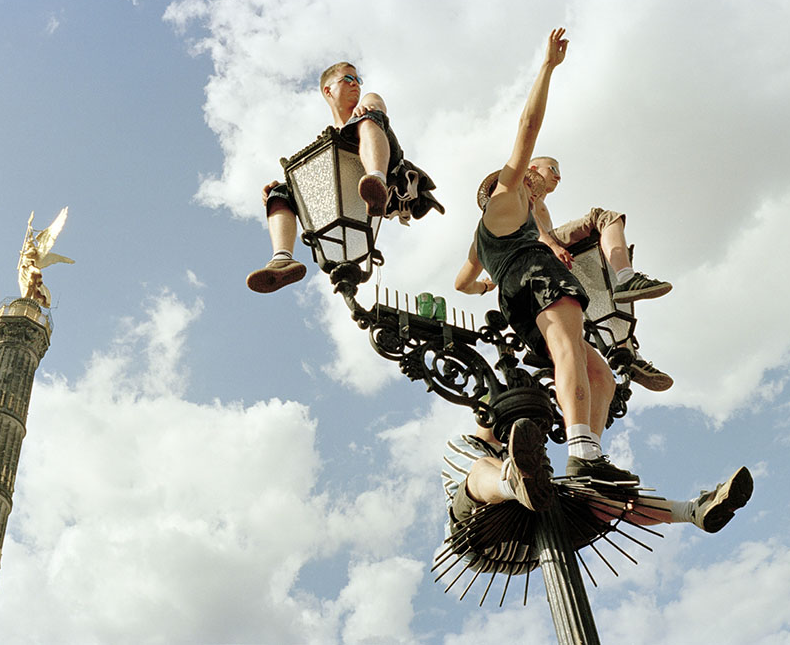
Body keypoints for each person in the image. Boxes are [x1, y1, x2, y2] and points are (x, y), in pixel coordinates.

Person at [455, 27, 632, 483]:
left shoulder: (482, 238)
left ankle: (589, 457)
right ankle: (582, 451)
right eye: (532, 180)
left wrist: (486, 285)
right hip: (537, 275)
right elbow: (527, 129)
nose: (534, 186)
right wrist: (548, 67)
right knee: (569, 348)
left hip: (514, 296)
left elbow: (461, 282)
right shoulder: (507, 198)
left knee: (601, 377)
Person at [246, 62, 440, 293]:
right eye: (348, 79)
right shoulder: (330, 148)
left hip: (389, 166)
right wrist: (290, 188)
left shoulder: (367, 103)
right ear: (328, 90)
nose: (355, 84)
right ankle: (282, 259)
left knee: (366, 119)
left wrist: (368, 107)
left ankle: (376, 182)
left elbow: (376, 103)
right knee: (280, 193)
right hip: (350, 181)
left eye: (358, 80)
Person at [443, 418, 753, 544]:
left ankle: (692, 511)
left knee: (594, 497)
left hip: (528, 539)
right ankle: (511, 482)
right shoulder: (464, 445)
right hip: (476, 532)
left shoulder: (525, 450)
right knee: (482, 467)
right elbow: (475, 464)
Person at [524, 156, 673, 391]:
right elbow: (530, 226)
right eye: (553, 169)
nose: (558, 176)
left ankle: (625, 351)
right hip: (543, 248)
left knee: (599, 287)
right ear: (533, 169)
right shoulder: (523, 192)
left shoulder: (538, 201)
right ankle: (627, 278)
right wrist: (553, 246)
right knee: (602, 218)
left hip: (541, 259)